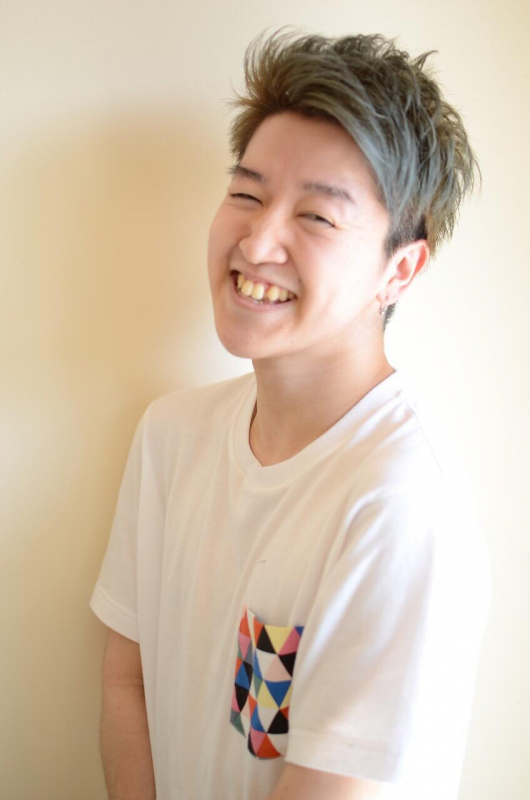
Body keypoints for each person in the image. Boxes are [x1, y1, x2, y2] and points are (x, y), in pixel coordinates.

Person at [90, 30, 491, 800]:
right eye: (247, 194)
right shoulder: (170, 436)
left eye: (317, 216)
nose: (258, 239)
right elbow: (126, 683)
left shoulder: (401, 504)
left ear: (400, 268)